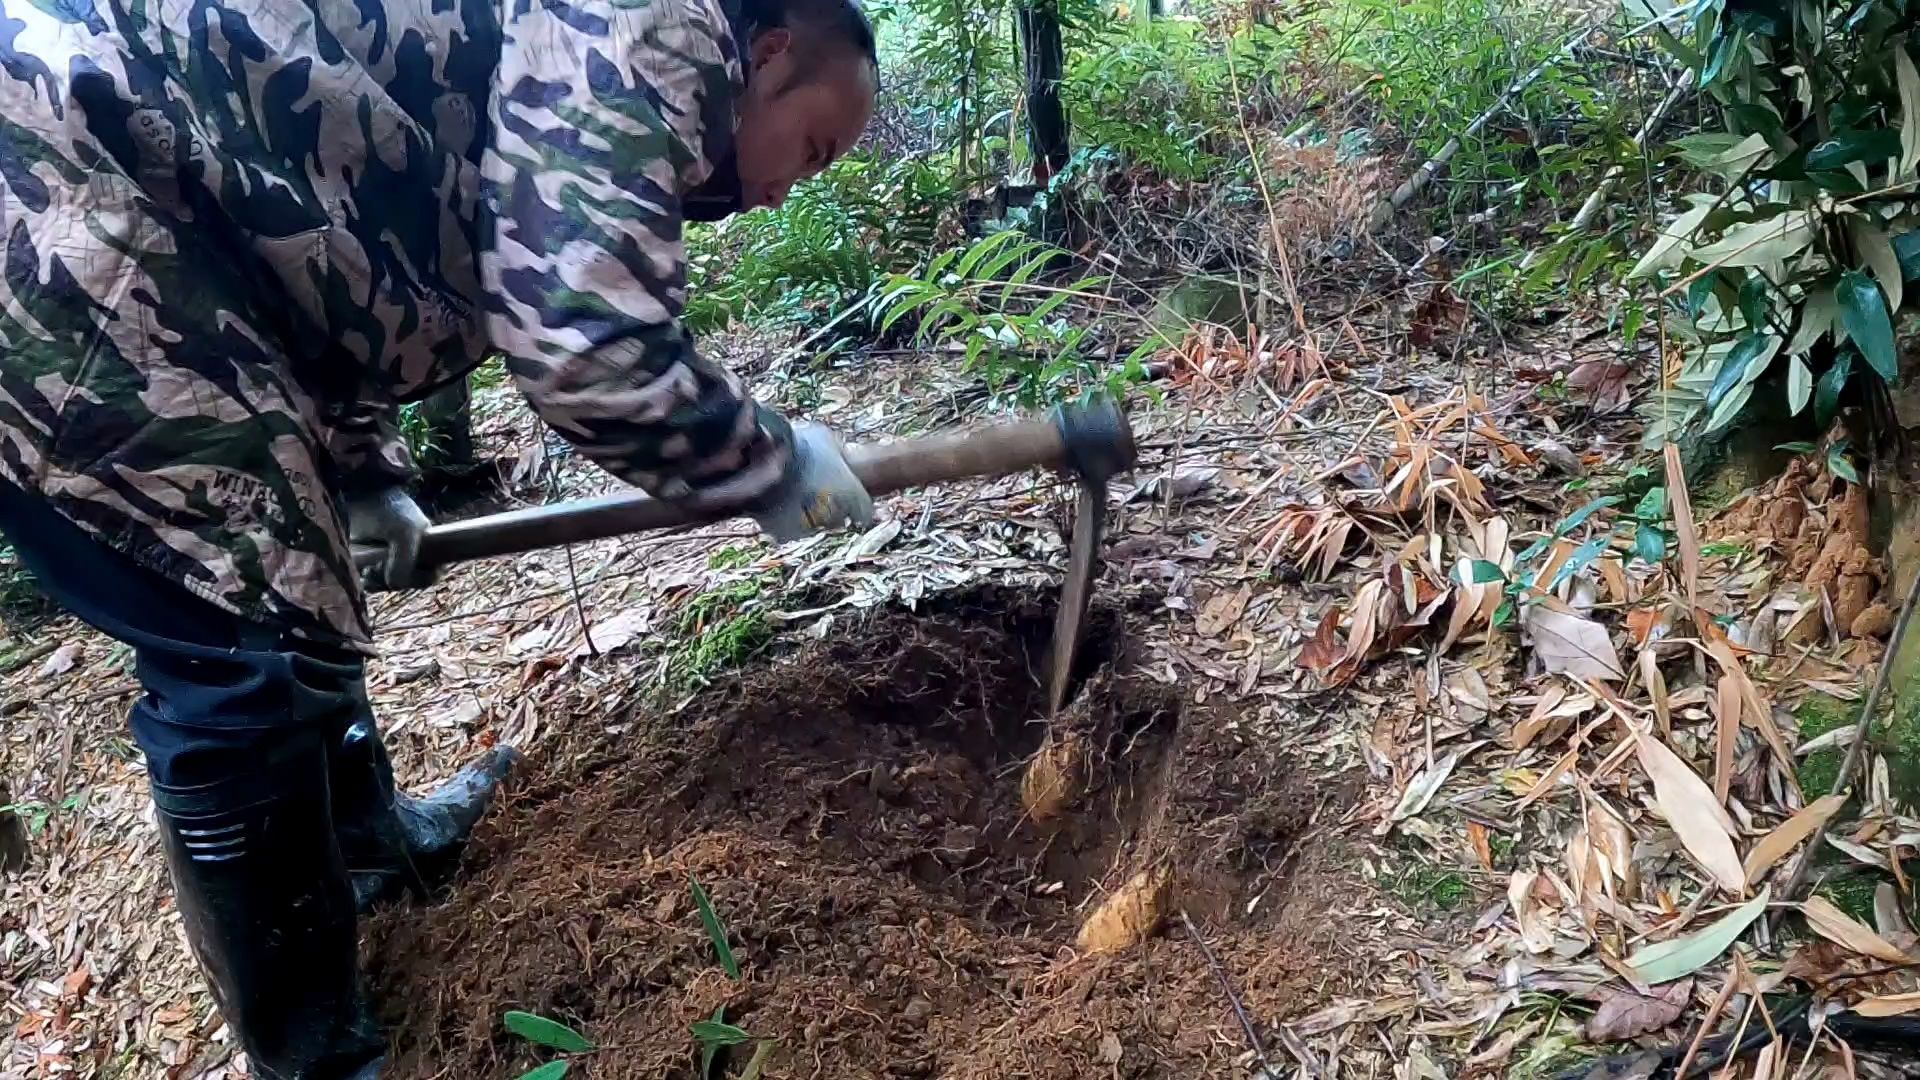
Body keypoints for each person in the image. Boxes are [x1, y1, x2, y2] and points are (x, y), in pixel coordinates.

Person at [0, 0, 879, 1072]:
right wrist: (772, 464)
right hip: (58, 186)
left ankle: (369, 847)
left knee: (286, 571)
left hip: (158, 212)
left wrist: (364, 471)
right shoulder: (656, 24)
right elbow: (589, 347)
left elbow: (341, 246)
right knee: (241, 645)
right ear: (772, 52)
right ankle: (316, 1059)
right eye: (810, 147)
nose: (788, 186)